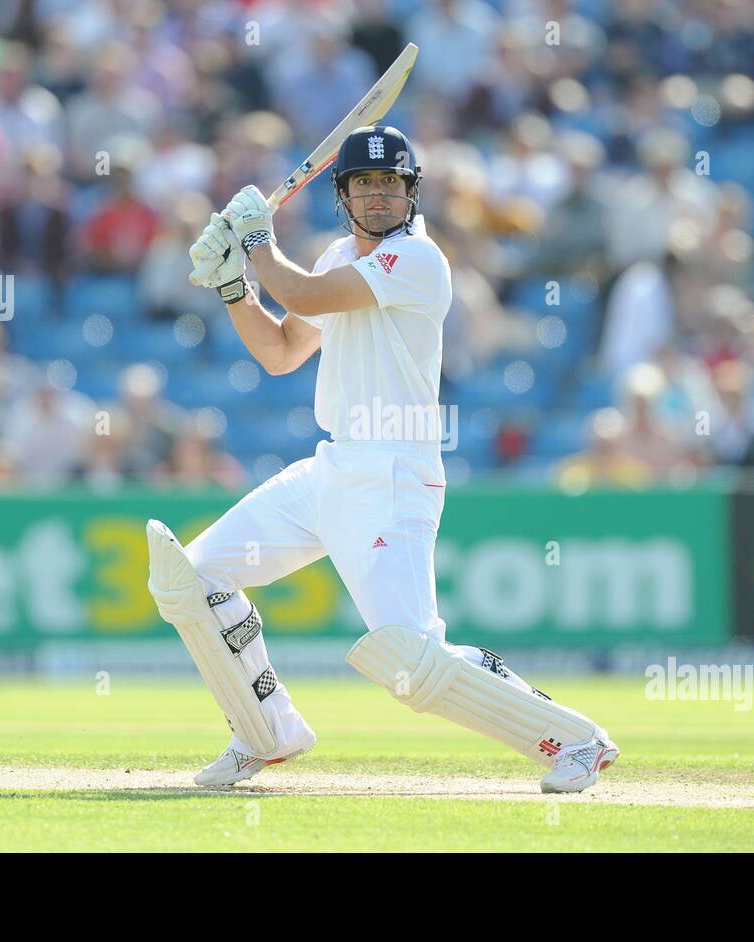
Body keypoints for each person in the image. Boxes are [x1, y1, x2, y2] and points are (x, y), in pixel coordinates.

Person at [145, 125, 617, 794]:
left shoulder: (419, 261)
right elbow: (281, 352)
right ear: (342, 194)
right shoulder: (340, 255)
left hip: (393, 474)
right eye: (363, 183)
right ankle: (265, 733)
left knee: (411, 662)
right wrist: (233, 288)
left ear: (410, 191)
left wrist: (255, 246)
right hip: (330, 469)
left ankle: (578, 741)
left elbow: (304, 296)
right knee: (190, 580)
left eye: (389, 183)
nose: (377, 195)